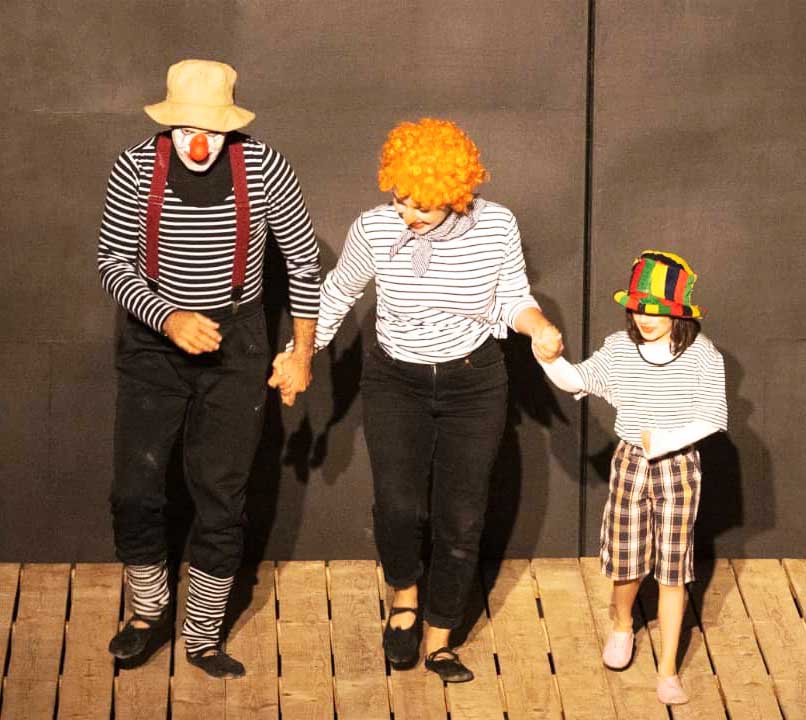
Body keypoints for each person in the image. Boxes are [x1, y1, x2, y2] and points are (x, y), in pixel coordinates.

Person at [272, 118, 562, 682]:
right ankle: (404, 597)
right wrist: (298, 354)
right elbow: (337, 293)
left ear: (456, 195)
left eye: (422, 206)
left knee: (462, 515)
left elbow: (512, 298)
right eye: (400, 199)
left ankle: (440, 635)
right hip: (395, 381)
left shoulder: (496, 225)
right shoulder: (374, 229)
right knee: (399, 506)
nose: (408, 214)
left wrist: (539, 327)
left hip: (473, 382)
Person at [97, 59, 320, 678]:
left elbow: (303, 264)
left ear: (232, 126)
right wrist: (167, 317)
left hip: (236, 343)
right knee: (136, 490)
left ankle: (202, 634)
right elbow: (112, 261)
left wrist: (302, 353)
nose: (200, 144)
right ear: (169, 123)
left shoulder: (266, 166)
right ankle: (148, 614)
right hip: (153, 344)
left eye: (213, 131)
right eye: (188, 130)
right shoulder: (135, 166)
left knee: (221, 495)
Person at [538, 250, 727, 705]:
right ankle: (622, 624)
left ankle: (668, 671)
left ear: (678, 313)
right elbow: (576, 380)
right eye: (639, 307)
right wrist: (548, 357)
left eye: (656, 310)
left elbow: (712, 416)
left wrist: (666, 440)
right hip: (630, 465)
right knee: (627, 560)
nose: (645, 317)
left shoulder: (702, 355)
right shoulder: (620, 348)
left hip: (678, 469)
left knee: (673, 570)